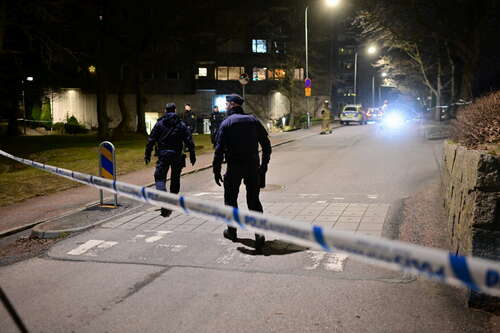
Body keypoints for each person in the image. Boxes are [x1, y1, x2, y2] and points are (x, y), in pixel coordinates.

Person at [212, 94, 271, 253]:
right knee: (253, 200)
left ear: (232, 105)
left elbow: (218, 151)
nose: (225, 107)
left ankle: (232, 231)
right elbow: (266, 145)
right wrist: (263, 166)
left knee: (230, 199)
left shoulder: (227, 123)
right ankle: (259, 234)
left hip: (234, 166)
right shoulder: (253, 120)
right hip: (253, 166)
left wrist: (216, 170)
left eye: (226, 104)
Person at [145, 103, 196, 217]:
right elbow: (188, 140)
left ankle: (164, 198)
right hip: (177, 155)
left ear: (165, 110)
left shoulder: (160, 123)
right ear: (175, 110)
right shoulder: (180, 124)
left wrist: (147, 154)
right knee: (175, 178)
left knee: (159, 177)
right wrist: (192, 154)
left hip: (163, 155)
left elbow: (151, 139)